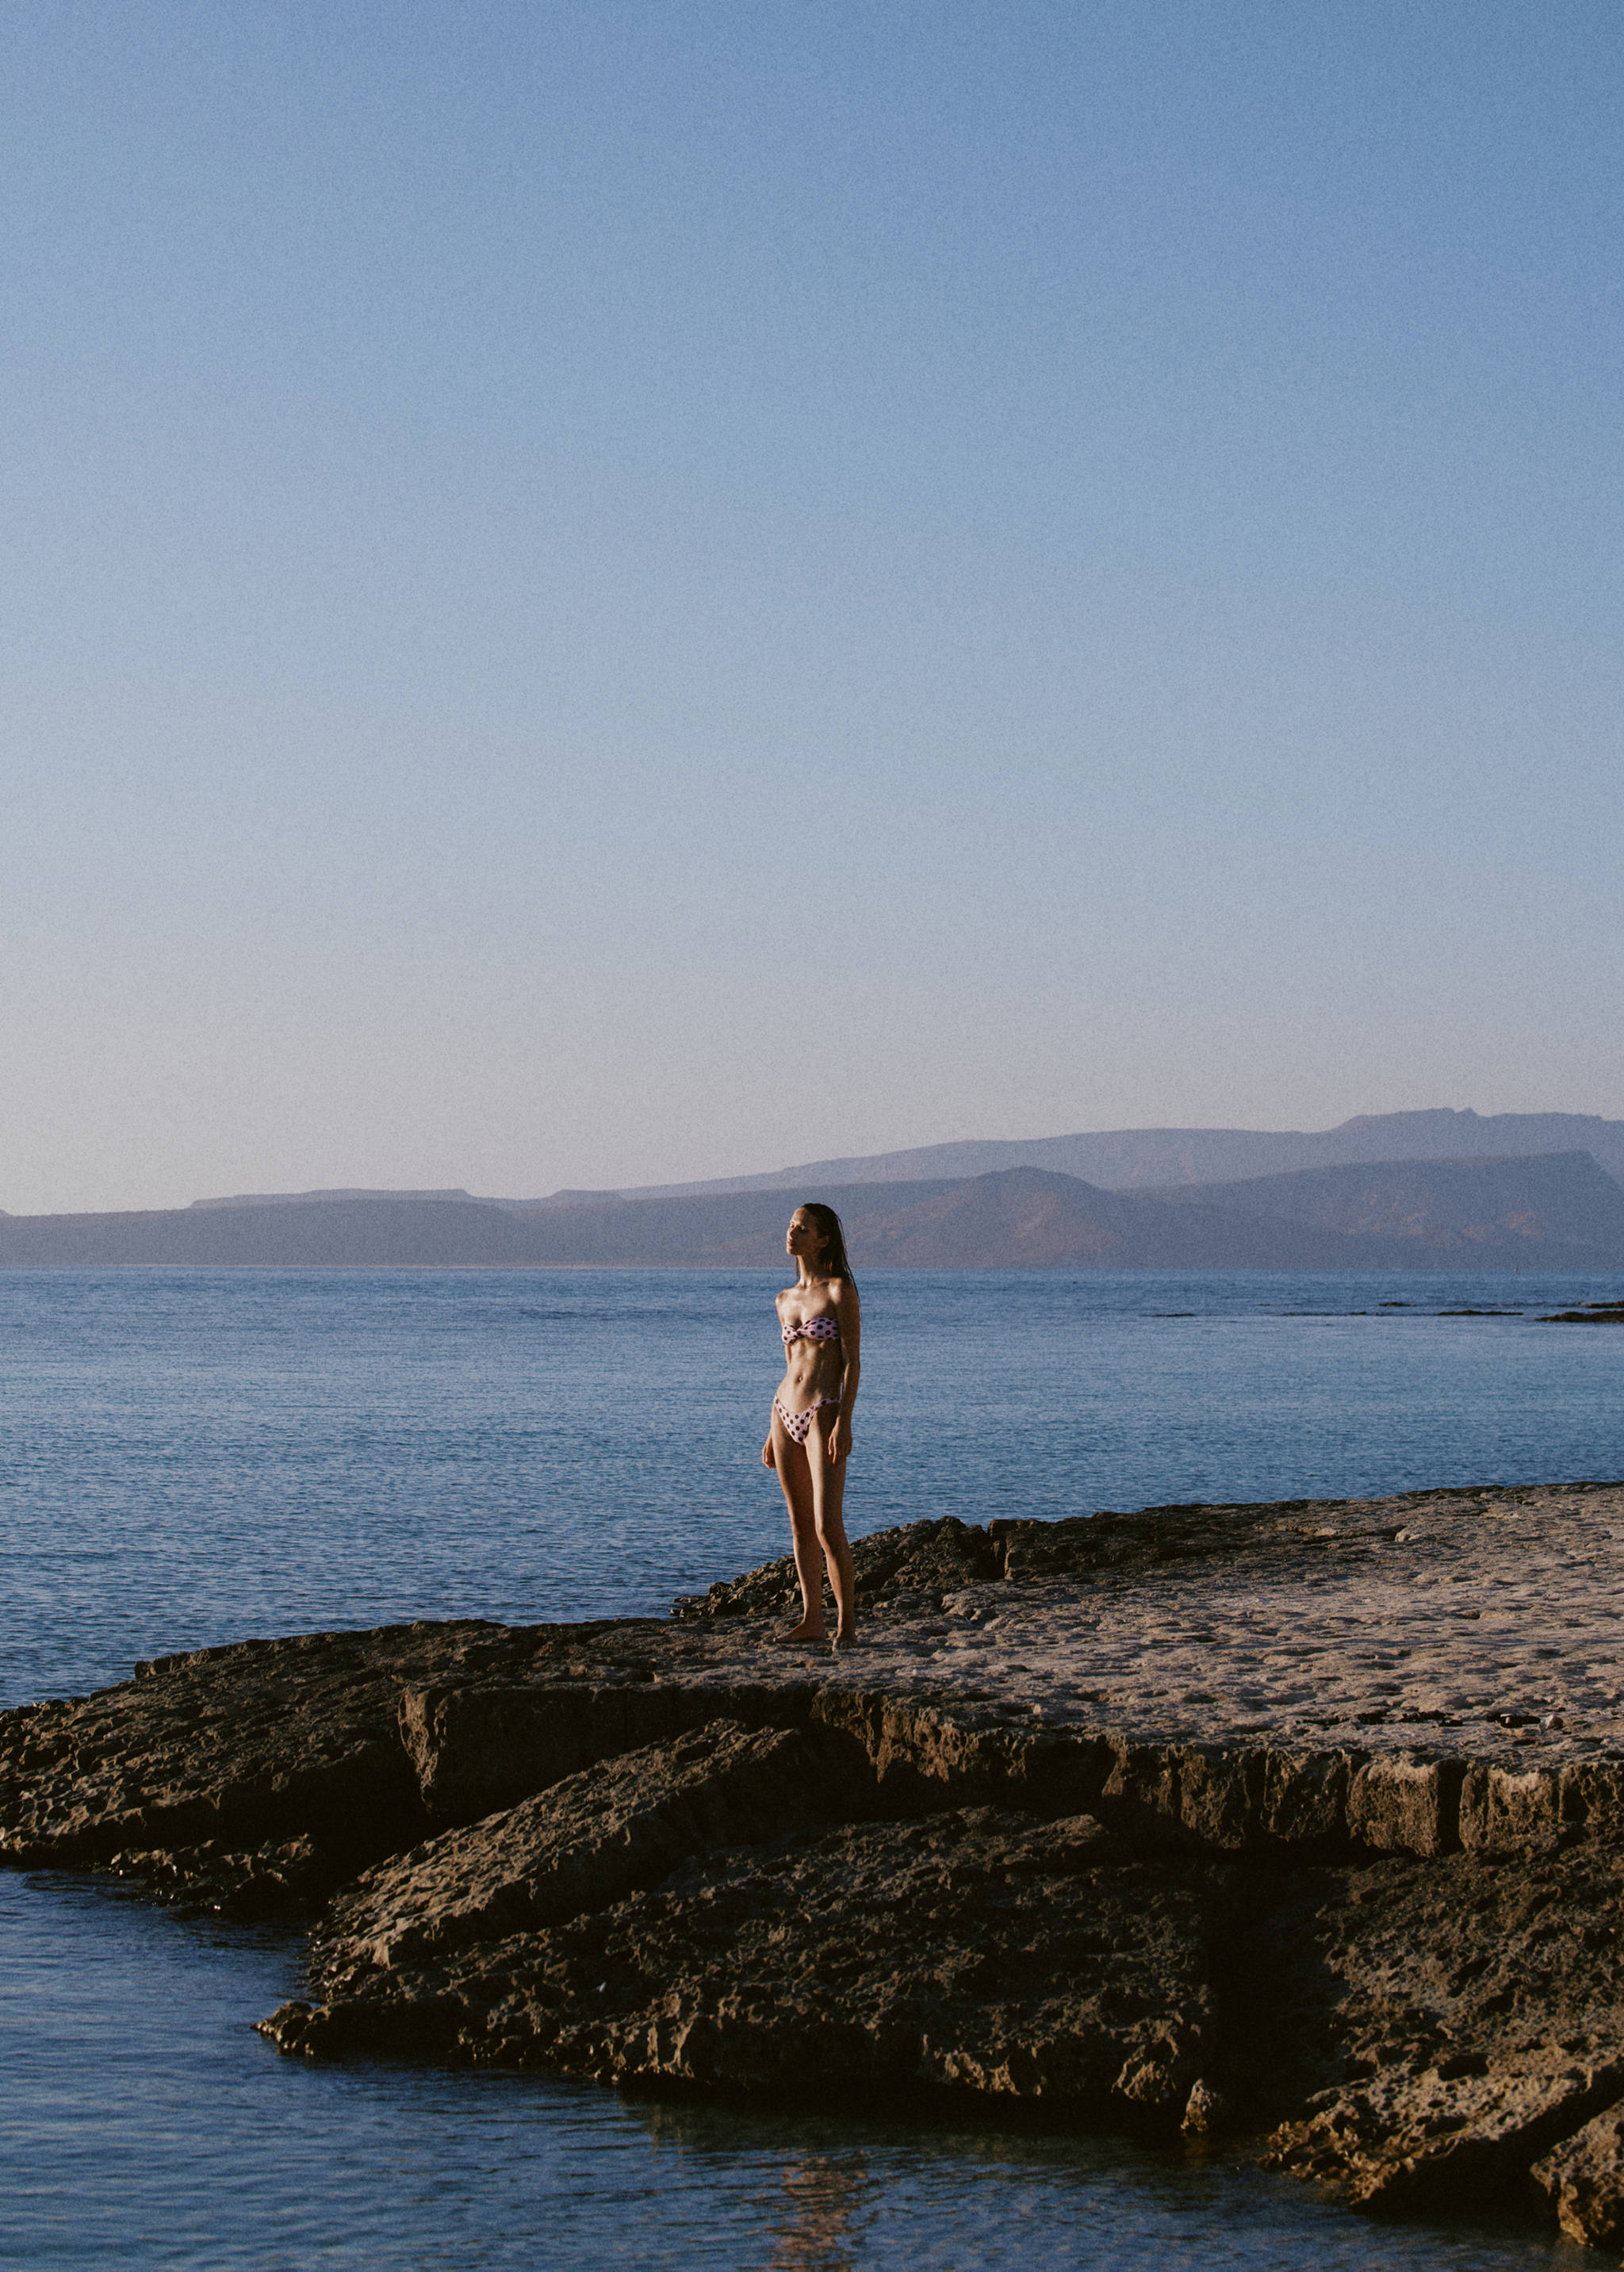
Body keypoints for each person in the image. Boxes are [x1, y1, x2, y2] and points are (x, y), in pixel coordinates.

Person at [762, 1202, 860, 1648]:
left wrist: (845, 1421)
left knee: (826, 1526)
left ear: (822, 1240)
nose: (792, 1233)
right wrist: (771, 1432)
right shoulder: (784, 1299)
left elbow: (853, 1363)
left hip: (824, 1410)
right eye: (791, 1225)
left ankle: (847, 1626)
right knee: (799, 1525)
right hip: (784, 1410)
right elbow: (789, 1362)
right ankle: (811, 1620)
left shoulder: (839, 1291)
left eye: (802, 1228)